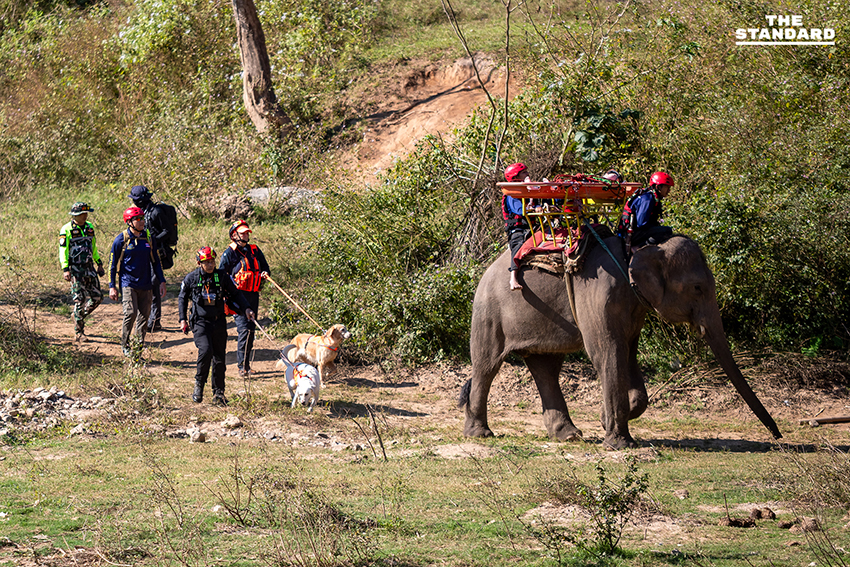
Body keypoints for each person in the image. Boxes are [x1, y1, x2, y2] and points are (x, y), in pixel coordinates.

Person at [178, 247, 255, 406]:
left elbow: (236, 294)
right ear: (199, 263)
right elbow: (182, 298)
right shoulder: (192, 278)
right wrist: (182, 319)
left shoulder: (222, 276)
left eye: (212, 261)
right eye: (206, 262)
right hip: (200, 322)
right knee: (206, 350)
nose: (210, 265)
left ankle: (219, 393)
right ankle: (199, 384)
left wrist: (247, 308)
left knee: (219, 358)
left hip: (219, 321)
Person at [108, 206, 168, 357]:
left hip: (146, 283)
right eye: (138, 219)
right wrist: (112, 286)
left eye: (143, 218)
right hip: (128, 283)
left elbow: (156, 262)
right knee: (130, 313)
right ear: (129, 222)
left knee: (144, 316)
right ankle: (125, 344)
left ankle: (138, 347)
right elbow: (112, 264)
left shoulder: (148, 238)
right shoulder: (121, 239)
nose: (142, 222)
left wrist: (162, 281)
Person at [219, 220, 270, 377]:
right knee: (244, 330)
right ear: (234, 235)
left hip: (253, 295)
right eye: (243, 233)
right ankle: (242, 367)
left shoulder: (254, 250)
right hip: (238, 297)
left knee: (251, 330)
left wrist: (265, 273)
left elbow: (266, 267)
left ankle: (246, 364)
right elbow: (221, 275)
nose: (246, 235)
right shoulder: (229, 253)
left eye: (247, 232)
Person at [128, 185, 174, 333]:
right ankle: (147, 318)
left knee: (153, 285)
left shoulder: (156, 212)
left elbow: (167, 231)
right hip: (143, 253)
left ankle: (155, 321)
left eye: (136, 200)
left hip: (156, 253)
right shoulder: (140, 213)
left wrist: (153, 241)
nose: (134, 202)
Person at [58, 202, 105, 342]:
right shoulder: (66, 229)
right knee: (80, 300)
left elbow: (93, 246)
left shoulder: (90, 227)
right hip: (75, 269)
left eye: (86, 213)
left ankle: (78, 316)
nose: (85, 216)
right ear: (74, 215)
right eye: (82, 214)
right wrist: (65, 269)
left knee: (98, 297)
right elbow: (63, 250)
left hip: (89, 267)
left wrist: (99, 263)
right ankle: (79, 332)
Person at [618, 171, 674, 250]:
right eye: (667, 187)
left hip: (637, 231)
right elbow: (641, 223)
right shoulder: (647, 199)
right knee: (667, 230)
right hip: (632, 234)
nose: (669, 191)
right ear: (658, 187)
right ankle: (638, 247)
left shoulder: (652, 197)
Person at [502, 163, 536, 291]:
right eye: (524, 172)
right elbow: (520, 210)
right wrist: (533, 207)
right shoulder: (512, 194)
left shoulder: (530, 191)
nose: (527, 174)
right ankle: (513, 278)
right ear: (515, 177)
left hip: (533, 227)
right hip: (518, 229)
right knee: (518, 244)